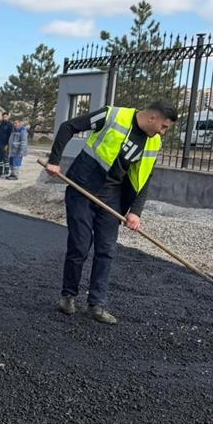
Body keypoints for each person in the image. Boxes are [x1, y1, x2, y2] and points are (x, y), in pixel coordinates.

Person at [46, 100, 177, 324]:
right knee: (80, 245)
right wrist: (55, 161)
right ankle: (67, 297)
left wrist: (135, 211)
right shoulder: (112, 116)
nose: (163, 132)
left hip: (113, 197)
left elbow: (145, 178)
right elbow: (68, 126)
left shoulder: (153, 142)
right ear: (152, 118)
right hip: (83, 189)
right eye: (164, 127)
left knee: (106, 250)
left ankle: (97, 305)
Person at [0, 111, 13, 177]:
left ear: (8, 117)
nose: (4, 118)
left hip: (5, 145)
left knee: (5, 159)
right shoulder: (1, 124)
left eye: (5, 116)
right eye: (3, 116)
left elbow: (10, 136)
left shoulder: (10, 125)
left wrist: (8, 144)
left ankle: (6, 172)